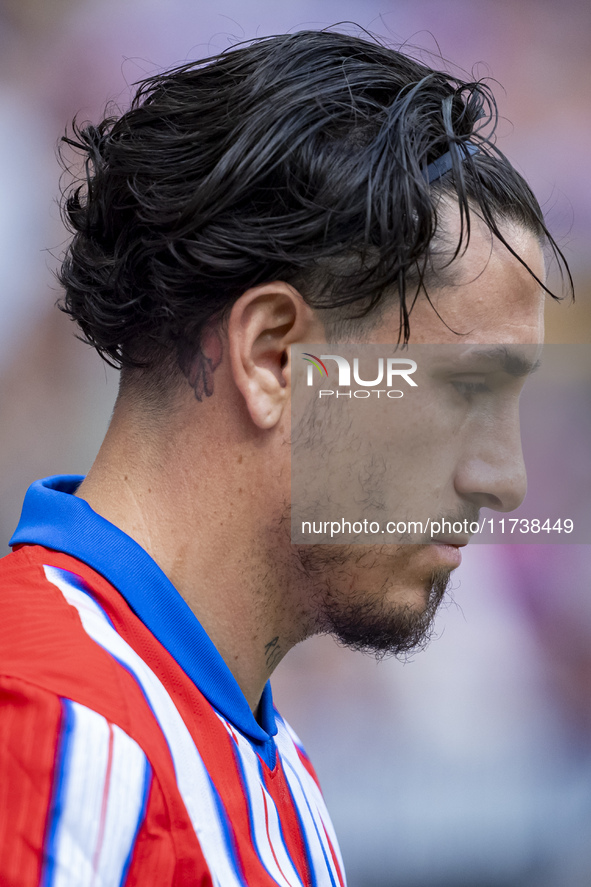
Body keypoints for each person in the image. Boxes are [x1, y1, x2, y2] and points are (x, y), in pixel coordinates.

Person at [0, 29, 570, 886]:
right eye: (464, 392)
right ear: (273, 358)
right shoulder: (63, 737)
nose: (503, 478)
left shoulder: (259, 760)